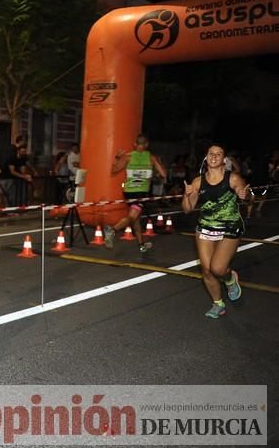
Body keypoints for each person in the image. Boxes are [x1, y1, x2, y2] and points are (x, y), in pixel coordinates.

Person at [181, 144, 249, 318]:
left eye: (218, 154)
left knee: (218, 269)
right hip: (205, 226)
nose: (214, 156)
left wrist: (244, 195)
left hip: (230, 226)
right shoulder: (198, 181)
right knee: (207, 270)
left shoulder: (232, 178)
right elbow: (188, 209)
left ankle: (230, 279)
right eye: (211, 153)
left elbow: (247, 195)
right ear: (206, 158)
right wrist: (187, 194)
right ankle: (218, 304)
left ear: (224, 160)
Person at [104, 134, 167, 252]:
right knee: (132, 217)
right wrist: (157, 166)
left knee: (136, 219)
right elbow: (163, 174)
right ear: (147, 145)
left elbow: (113, 171)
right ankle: (112, 230)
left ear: (135, 144)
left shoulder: (128, 157)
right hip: (141, 194)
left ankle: (141, 245)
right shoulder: (151, 158)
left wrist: (117, 158)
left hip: (128, 192)